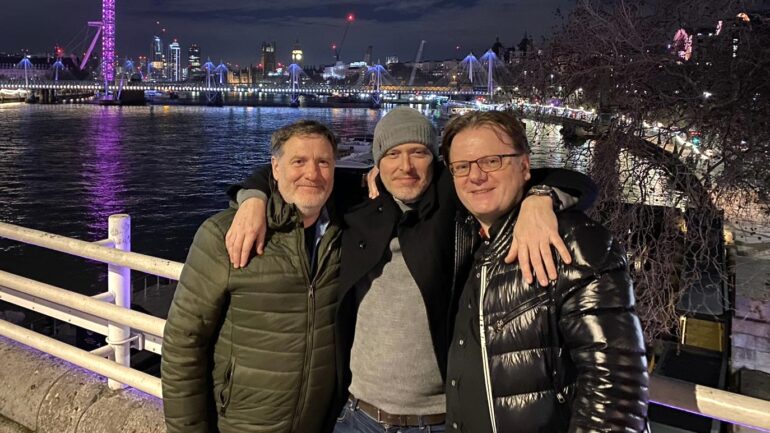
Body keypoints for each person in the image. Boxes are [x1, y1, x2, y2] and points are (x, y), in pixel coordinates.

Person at [227, 107, 598, 433]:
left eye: (418, 152)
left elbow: (571, 181)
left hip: (438, 420)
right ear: (377, 163)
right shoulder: (359, 200)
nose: (404, 166)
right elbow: (288, 174)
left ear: (435, 160)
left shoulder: (455, 196)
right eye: (392, 154)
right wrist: (253, 200)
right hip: (356, 417)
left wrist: (539, 200)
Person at [441, 110, 649, 433]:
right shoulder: (471, 241)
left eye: (492, 161)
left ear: (525, 166)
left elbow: (615, 389)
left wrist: (543, 195)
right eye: (462, 166)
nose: (476, 176)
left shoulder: (572, 242)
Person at [161, 120, 343, 433]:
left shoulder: (345, 233)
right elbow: (183, 344)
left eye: (323, 162)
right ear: (275, 168)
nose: (312, 173)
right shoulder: (223, 235)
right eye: (298, 161)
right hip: (242, 423)